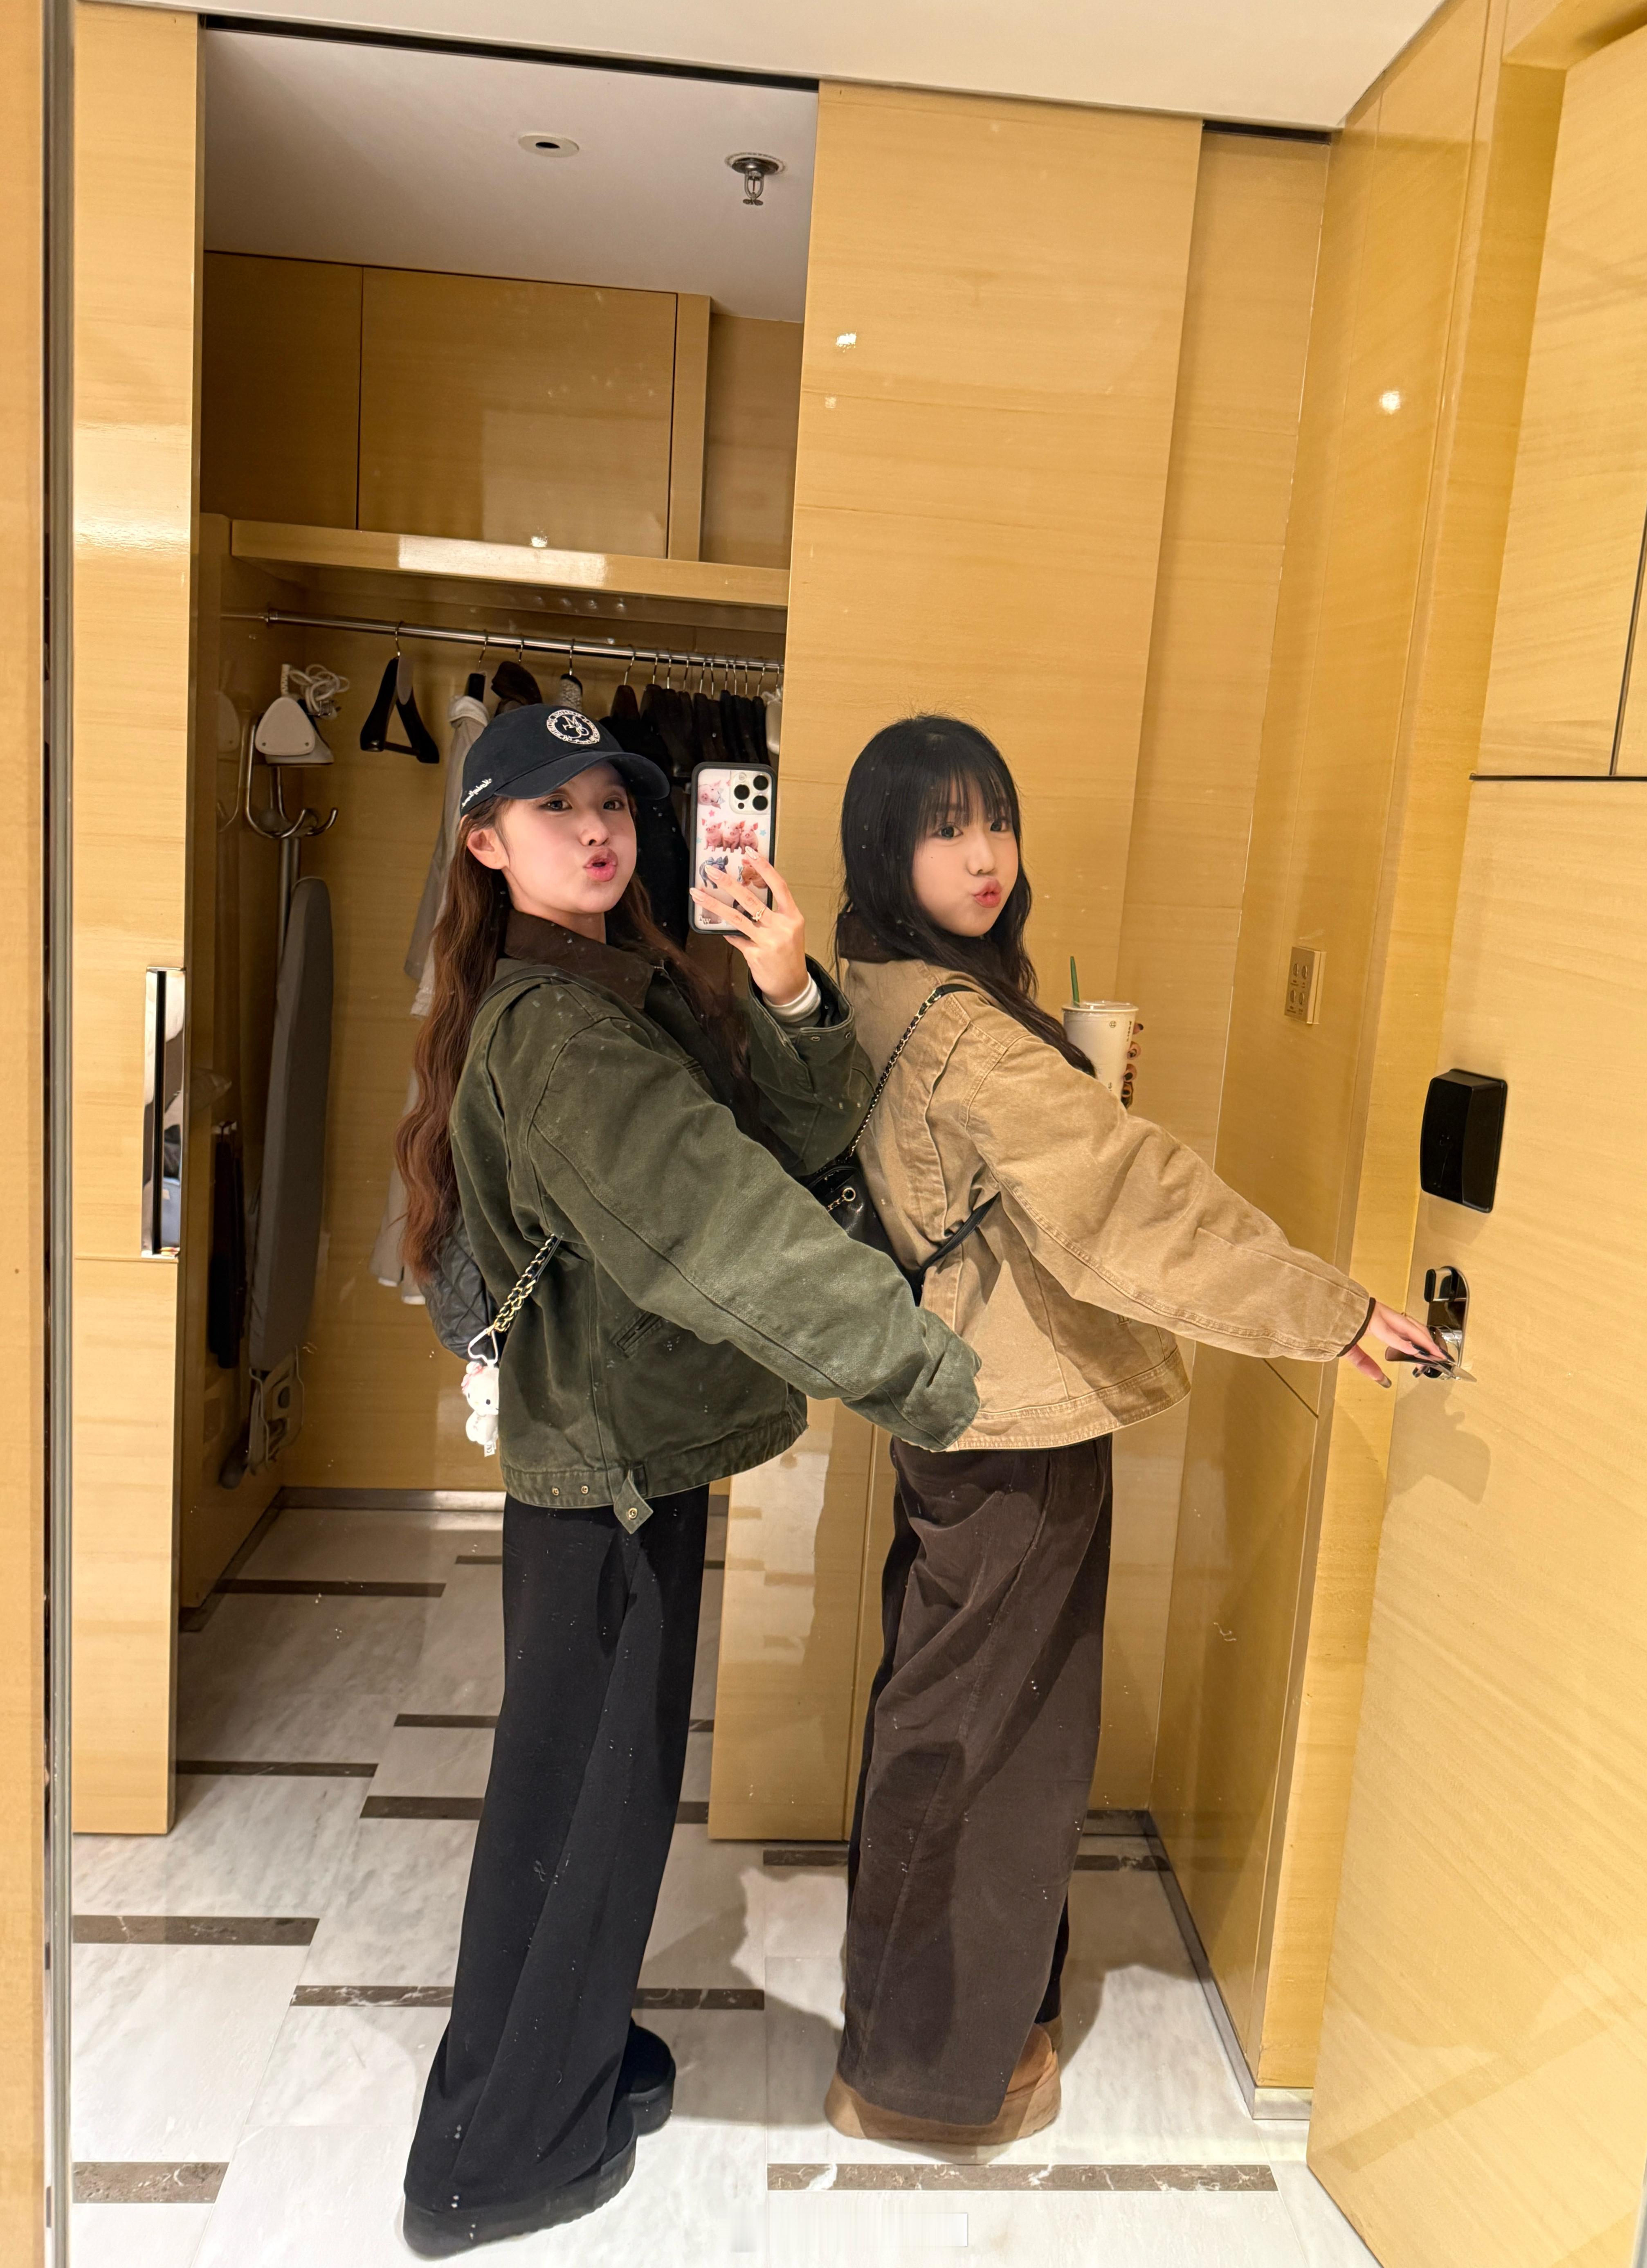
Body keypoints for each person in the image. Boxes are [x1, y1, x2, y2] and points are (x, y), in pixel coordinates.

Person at [393, 704, 980, 2255]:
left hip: (631, 1449)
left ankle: (570, 2050)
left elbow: (785, 1133)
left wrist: (785, 985)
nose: (597, 829)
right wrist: (925, 1371)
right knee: (579, 1800)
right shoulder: (562, 1031)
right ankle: (497, 2155)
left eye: (612, 801)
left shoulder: (622, 976)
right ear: (484, 841)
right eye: (555, 808)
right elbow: (726, 1225)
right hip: (607, 1470)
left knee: (599, 1790)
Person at [830, 713, 1445, 2151]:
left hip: (953, 1397)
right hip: (1015, 1420)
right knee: (994, 1744)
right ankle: (925, 2079)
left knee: (949, 1716)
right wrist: (1334, 1311)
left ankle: (930, 2039)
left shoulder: (877, 979)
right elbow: (1132, 1203)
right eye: (944, 828)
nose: (984, 854)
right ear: (886, 848)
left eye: (996, 819)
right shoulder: (961, 1027)